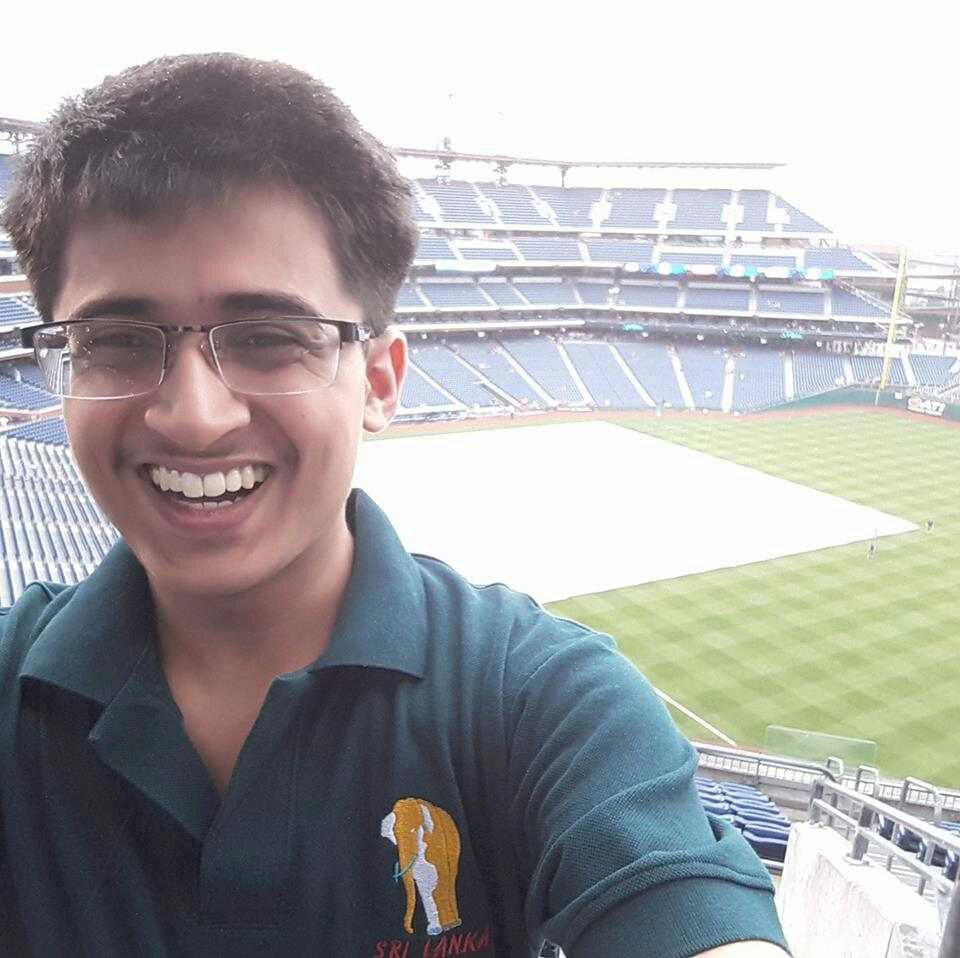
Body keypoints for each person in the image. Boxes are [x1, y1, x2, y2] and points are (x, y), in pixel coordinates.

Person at [0, 54, 788, 956]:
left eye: (268, 338)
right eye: (114, 340)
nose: (194, 415)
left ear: (378, 379)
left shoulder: (538, 698)